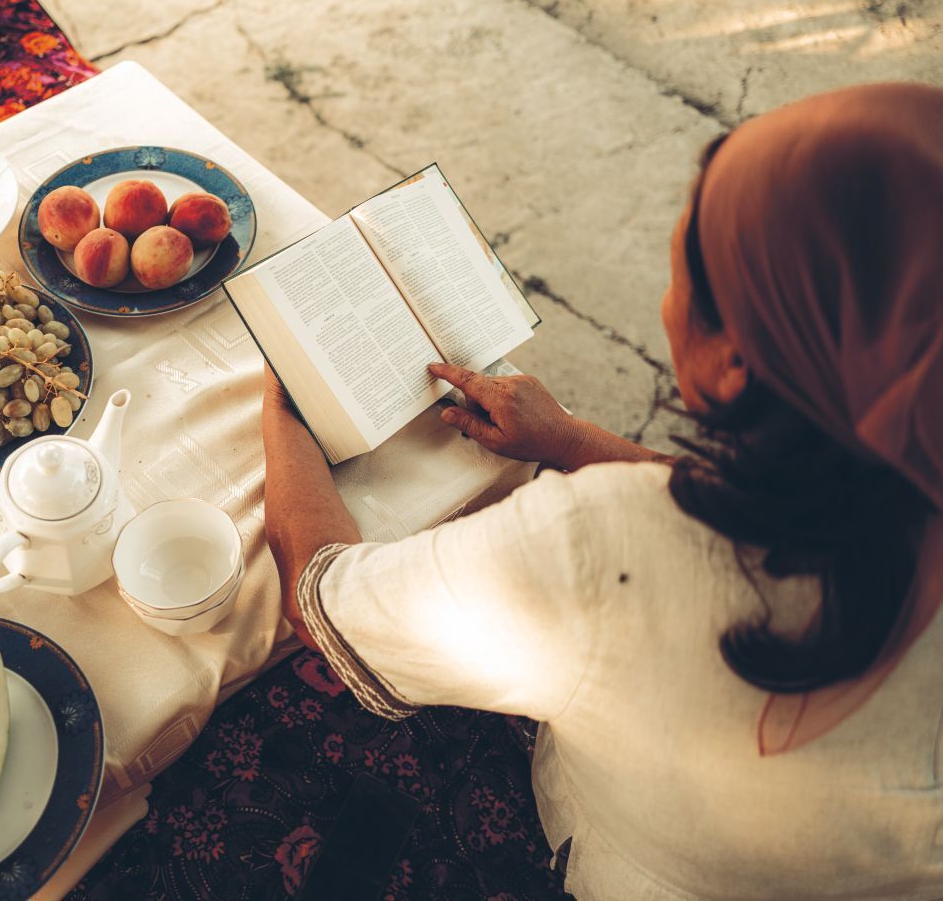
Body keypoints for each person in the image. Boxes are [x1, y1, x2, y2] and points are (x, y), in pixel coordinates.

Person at [261, 82, 943, 900]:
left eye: (682, 267)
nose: (667, 296)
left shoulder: (604, 548)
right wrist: (575, 442)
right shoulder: (905, 459)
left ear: (732, 359)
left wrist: (290, 409)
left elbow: (326, 604)